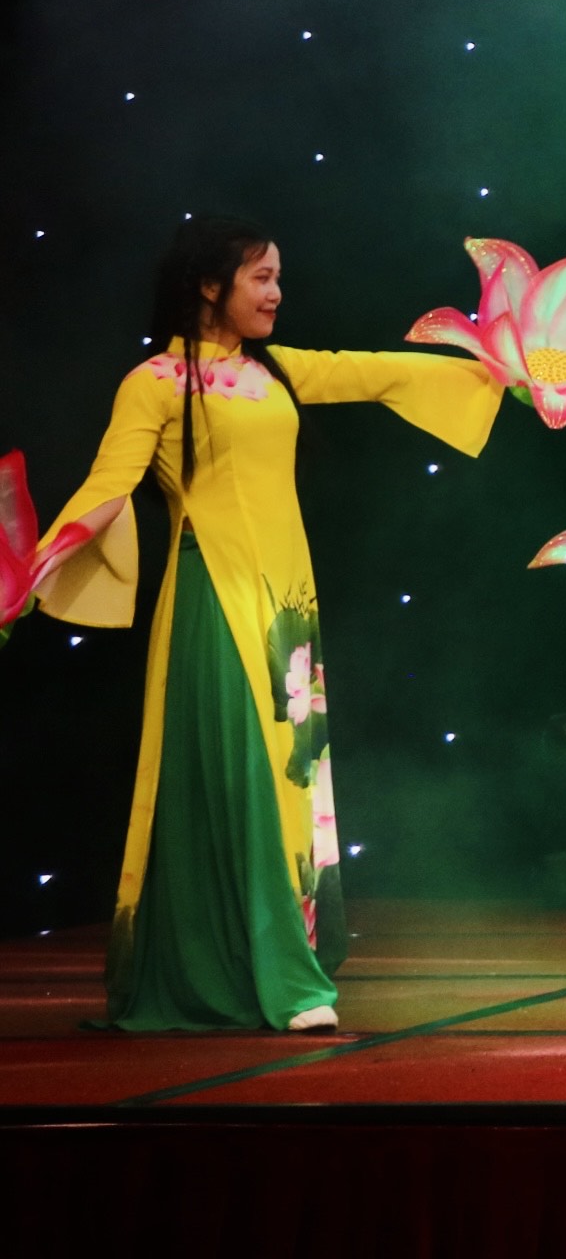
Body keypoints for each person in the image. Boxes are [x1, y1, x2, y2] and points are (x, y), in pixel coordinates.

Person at [41, 227, 509, 1032]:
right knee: (248, 774)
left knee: (294, 778)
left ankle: (281, 952)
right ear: (209, 285)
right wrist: (25, 579)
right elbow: (105, 488)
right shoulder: (153, 381)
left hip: (287, 607)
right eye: (261, 276)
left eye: (279, 277)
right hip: (213, 597)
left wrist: (518, 378)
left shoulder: (277, 370)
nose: (276, 292)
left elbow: (383, 371)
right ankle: (278, 977)